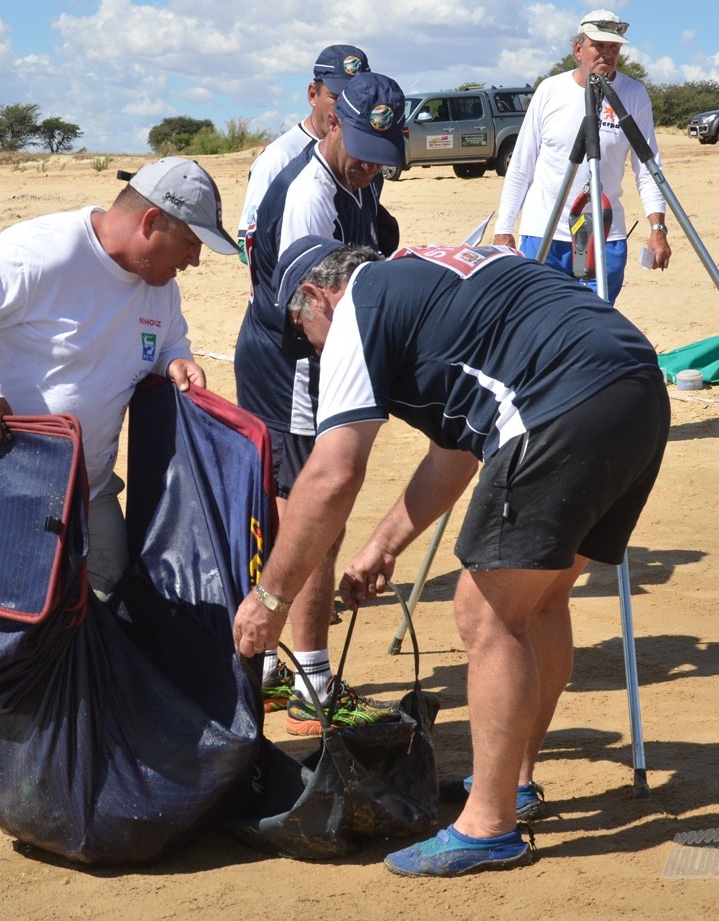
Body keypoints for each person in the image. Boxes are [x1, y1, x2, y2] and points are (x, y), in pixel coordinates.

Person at [233, 235, 669, 877]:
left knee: (487, 615)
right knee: (539, 601)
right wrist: (383, 546)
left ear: (317, 295)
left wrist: (271, 599)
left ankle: (489, 827)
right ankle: (513, 785)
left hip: (562, 402)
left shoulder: (360, 306)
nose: (312, 351)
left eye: (303, 333)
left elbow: (330, 476)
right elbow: (457, 452)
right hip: (636, 391)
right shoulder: (429, 281)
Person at [0, 157, 239, 865]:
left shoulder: (158, 286)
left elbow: (162, 339)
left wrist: (176, 362)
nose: (194, 262)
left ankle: (69, 774)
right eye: (190, 246)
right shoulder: (47, 250)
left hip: (87, 494)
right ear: (150, 222)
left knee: (111, 619)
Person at [236, 71, 407, 734]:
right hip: (295, 362)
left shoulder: (362, 173)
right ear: (330, 120)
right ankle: (311, 681)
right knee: (315, 517)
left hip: (314, 354)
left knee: (305, 512)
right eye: (361, 148)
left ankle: (285, 673)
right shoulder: (309, 194)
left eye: (382, 154)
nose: (370, 166)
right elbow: (318, 312)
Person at [493, 9, 671, 302]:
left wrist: (658, 228)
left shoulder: (634, 94)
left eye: (613, 47)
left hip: (603, 236)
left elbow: (648, 168)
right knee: (538, 319)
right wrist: (504, 230)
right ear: (578, 49)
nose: (607, 54)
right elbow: (521, 167)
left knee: (594, 324)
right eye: (598, 46)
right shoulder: (550, 90)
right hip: (545, 234)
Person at [235, 44, 371, 263]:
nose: (347, 109)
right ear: (312, 95)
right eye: (336, 97)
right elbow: (247, 247)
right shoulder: (280, 158)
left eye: (355, 99)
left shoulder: (364, 158)